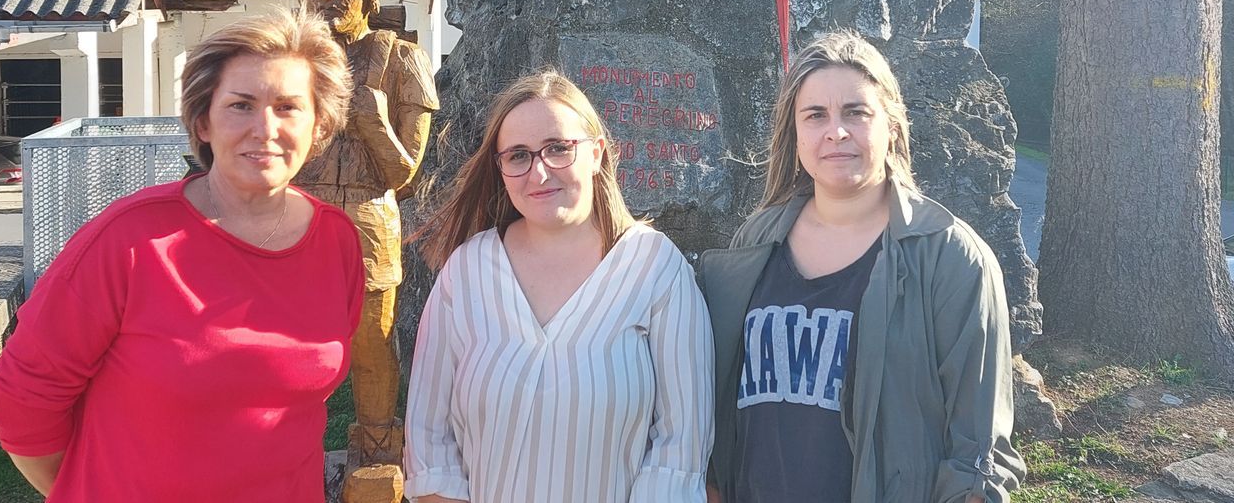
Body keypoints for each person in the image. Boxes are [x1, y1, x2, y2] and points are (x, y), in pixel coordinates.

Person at [0, 9, 364, 502]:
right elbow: (22, 403)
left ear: (319, 128)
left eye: (289, 106)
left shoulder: (336, 241)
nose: (265, 128)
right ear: (203, 122)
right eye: (241, 105)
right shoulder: (130, 240)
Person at [698, 31, 1025, 503]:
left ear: (890, 124)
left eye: (856, 112)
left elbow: (979, 455)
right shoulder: (753, 243)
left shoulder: (950, 258)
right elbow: (721, 410)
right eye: (816, 115)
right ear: (795, 134)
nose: (836, 131)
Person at [405, 70, 714, 503]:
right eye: (518, 156)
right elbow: (429, 443)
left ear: (597, 154)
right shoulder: (467, 272)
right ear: (501, 169)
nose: (540, 171)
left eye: (558, 149)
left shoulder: (655, 269)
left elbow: (679, 451)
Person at [286, 0, 439, 501]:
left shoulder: (402, 58)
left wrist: (370, 115)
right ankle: (287, 442)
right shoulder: (288, 62)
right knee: (292, 341)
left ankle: (377, 445)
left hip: (370, 227)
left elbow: (405, 173)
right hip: (297, 226)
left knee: (372, 344)